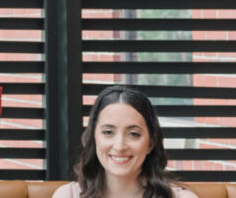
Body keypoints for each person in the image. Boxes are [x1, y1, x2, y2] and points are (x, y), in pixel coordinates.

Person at [50, 85, 196, 198]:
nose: (120, 146)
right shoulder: (67, 195)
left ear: (150, 143)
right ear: (93, 138)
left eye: (133, 134)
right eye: (108, 132)